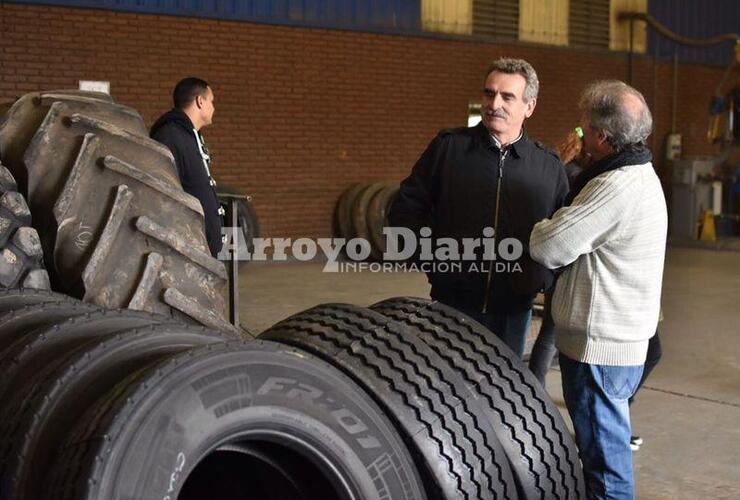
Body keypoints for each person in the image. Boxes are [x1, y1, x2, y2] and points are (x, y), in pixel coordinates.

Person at [530, 80, 667, 499]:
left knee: (606, 474)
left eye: (585, 128)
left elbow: (548, 246)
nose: (581, 135)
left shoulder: (614, 186)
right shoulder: (640, 171)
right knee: (604, 457)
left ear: (603, 137)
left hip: (599, 353)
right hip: (622, 343)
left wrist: (542, 222)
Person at [389, 58, 569, 357]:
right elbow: (406, 209)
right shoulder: (449, 149)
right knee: (446, 386)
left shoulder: (547, 166)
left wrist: (538, 279)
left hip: (513, 310)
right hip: (452, 302)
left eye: (507, 97)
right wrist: (434, 263)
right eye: (489, 93)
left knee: (501, 391)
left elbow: (563, 233)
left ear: (529, 106)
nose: (494, 103)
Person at [151, 77, 224, 257]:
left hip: (202, 252)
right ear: (200, 101)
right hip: (187, 253)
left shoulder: (190, 136)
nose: (214, 107)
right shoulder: (170, 137)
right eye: (211, 101)